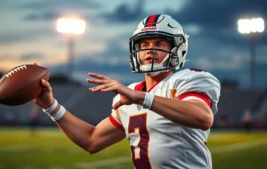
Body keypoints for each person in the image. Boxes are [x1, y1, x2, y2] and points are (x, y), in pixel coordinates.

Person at [34, 14, 221, 169]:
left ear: (177, 49)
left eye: (159, 44)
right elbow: (91, 140)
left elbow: (202, 117)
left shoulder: (189, 79)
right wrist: (51, 106)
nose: (150, 50)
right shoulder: (129, 94)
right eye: (144, 45)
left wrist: (141, 98)